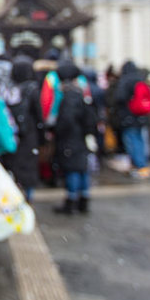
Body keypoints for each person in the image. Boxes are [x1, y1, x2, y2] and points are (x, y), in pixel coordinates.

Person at [52, 61, 97, 214]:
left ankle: (71, 201)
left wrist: (57, 131)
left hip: (70, 139)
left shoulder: (69, 97)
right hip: (80, 138)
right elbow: (91, 118)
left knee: (72, 169)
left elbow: (66, 120)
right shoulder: (81, 94)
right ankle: (83, 198)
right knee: (82, 168)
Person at [2, 55, 44, 202]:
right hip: (29, 135)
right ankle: (28, 200)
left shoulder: (8, 88)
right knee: (29, 170)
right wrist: (42, 134)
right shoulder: (32, 88)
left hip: (12, 133)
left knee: (13, 169)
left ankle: (13, 200)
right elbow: (38, 114)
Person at [115, 61, 150, 179]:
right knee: (140, 140)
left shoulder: (125, 80)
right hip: (141, 115)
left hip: (129, 116)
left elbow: (119, 98)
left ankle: (139, 166)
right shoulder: (140, 79)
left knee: (132, 141)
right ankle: (144, 165)